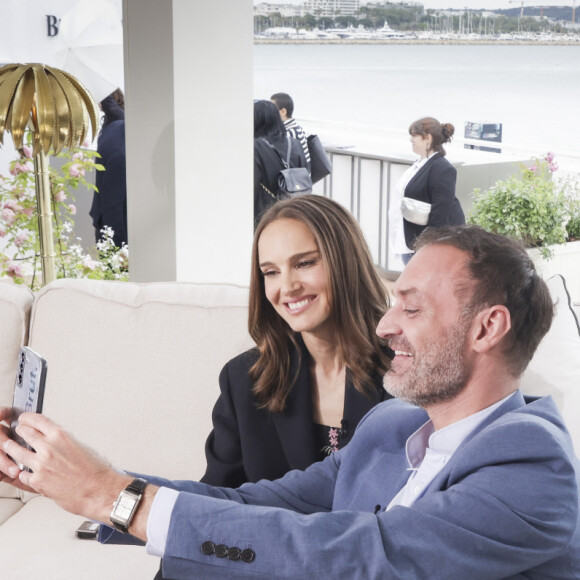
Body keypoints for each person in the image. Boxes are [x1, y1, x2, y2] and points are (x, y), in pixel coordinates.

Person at [2, 226, 580, 579]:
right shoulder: (390, 425)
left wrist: (112, 498)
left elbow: (364, 558)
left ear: (487, 329)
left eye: (411, 308)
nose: (384, 327)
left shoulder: (533, 468)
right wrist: (86, 480)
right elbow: (255, 503)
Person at [201, 195, 392, 489]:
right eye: (271, 272)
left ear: (346, 262)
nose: (287, 287)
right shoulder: (243, 379)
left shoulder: (409, 369)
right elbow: (215, 498)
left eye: (304, 263)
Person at [388, 117, 465, 265]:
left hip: (422, 246)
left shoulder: (442, 168)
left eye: (414, 135)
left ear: (427, 138)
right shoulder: (419, 164)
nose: (411, 140)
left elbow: (440, 213)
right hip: (410, 241)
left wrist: (426, 248)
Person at [253, 99, 307, 225]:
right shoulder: (294, 144)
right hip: (294, 211)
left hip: (264, 215)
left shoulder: (256, 147)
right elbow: (306, 173)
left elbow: (253, 185)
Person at [89, 89, 128, 248]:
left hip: (112, 197)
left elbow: (109, 103)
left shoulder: (119, 118)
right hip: (104, 196)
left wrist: (101, 87)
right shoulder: (110, 123)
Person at [270, 92, 311, 170]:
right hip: (301, 178)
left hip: (294, 179)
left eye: (272, 109)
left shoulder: (289, 133)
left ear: (283, 112)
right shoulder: (296, 127)